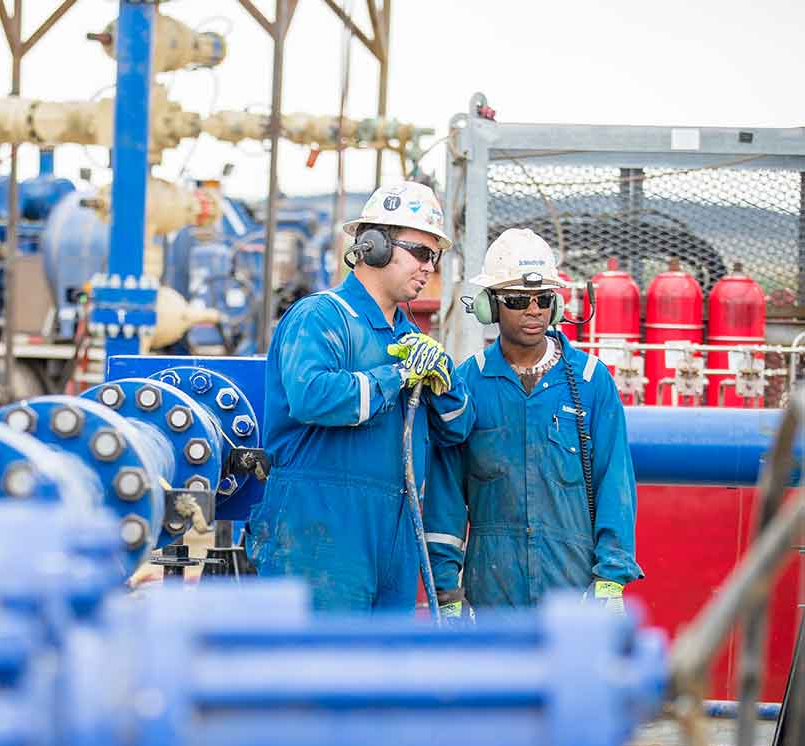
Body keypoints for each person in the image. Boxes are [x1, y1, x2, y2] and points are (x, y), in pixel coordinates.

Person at [247, 182, 474, 613]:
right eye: (422, 253)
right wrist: (397, 377)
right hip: (319, 527)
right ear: (374, 247)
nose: (430, 267)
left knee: (381, 672)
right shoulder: (321, 317)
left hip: (394, 530)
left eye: (436, 256)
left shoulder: (409, 337)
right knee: (318, 670)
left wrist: (447, 384)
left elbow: (457, 431)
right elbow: (312, 395)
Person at [425, 228, 642, 616]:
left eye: (544, 298)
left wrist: (611, 577)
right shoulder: (466, 385)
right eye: (517, 300)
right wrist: (445, 589)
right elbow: (446, 497)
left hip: (573, 594)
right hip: (492, 593)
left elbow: (616, 483)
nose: (534, 309)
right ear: (491, 306)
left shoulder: (592, 383)